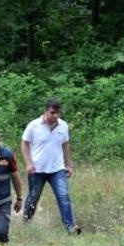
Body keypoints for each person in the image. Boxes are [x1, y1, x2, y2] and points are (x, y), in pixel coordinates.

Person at [20, 98, 81, 234]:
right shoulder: (33, 125)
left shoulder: (63, 126)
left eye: (58, 113)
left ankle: (70, 227)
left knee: (63, 196)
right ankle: (26, 223)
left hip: (57, 169)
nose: (55, 116)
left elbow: (65, 145)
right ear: (45, 111)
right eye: (52, 113)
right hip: (37, 169)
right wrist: (29, 163)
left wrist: (69, 165)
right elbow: (24, 144)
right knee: (33, 197)